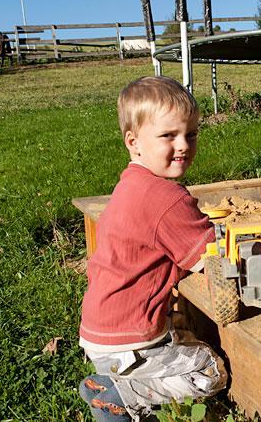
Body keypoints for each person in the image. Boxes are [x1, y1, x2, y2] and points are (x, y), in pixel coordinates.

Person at [78, 76, 227, 422]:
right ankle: (123, 397)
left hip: (101, 330)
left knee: (178, 341)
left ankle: (104, 382)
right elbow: (209, 254)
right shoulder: (167, 198)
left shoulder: (130, 184)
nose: (184, 145)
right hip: (131, 339)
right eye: (168, 135)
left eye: (191, 134)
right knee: (209, 370)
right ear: (133, 142)